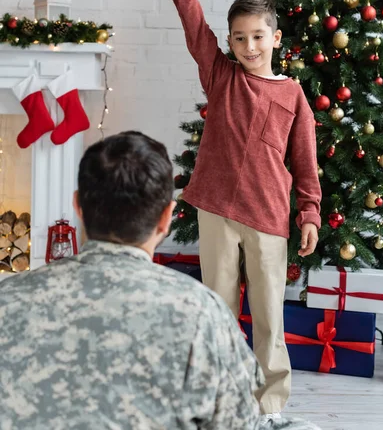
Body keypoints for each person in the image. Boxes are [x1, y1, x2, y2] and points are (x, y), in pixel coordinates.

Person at [157, 0, 322, 425]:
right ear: (229, 41)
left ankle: (269, 407)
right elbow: (193, 23)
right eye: (239, 38)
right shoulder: (221, 75)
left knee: (270, 319)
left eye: (257, 37)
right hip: (216, 210)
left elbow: (305, 163)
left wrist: (309, 213)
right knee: (219, 313)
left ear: (275, 37)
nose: (249, 46)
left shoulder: (293, 95)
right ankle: (219, 400)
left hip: (269, 218)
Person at [0, 131, 264, 429]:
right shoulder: (202, 312)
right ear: (167, 218)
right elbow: (238, 423)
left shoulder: (6, 299)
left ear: (78, 207)